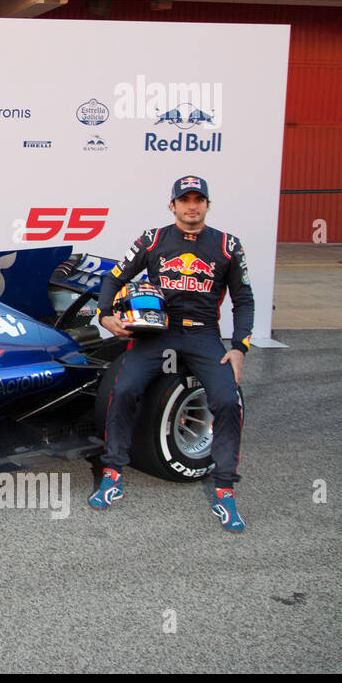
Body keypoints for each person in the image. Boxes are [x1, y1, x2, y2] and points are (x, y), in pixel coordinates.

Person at [89, 175, 255, 533]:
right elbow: (112, 279)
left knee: (228, 400)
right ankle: (113, 471)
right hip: (156, 332)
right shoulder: (152, 239)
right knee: (125, 389)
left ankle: (224, 488)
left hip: (204, 335)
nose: (191, 206)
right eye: (185, 200)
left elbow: (244, 301)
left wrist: (240, 346)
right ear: (173, 205)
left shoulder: (228, 246)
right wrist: (105, 315)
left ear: (208, 205)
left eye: (198, 200)